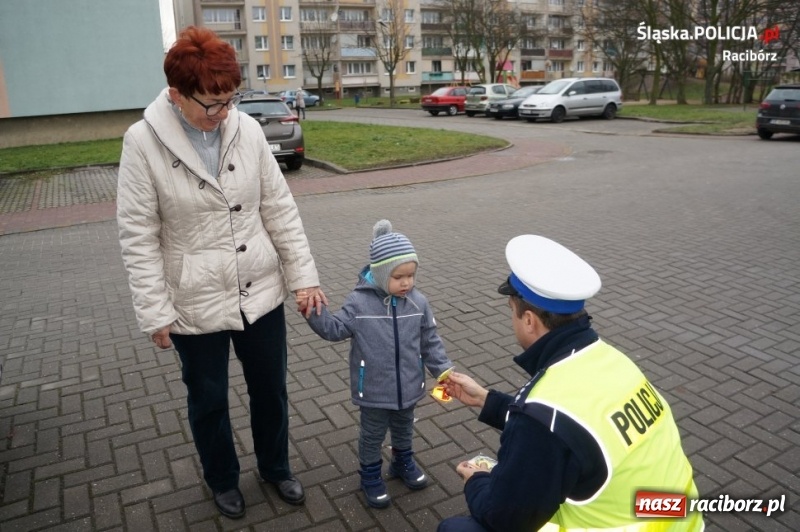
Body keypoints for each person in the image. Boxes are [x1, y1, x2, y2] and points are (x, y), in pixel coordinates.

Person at [116, 26, 327, 520]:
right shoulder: (142, 142)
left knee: (271, 389)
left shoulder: (246, 129)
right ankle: (222, 479)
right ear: (175, 94)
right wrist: (154, 311)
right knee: (209, 399)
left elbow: (278, 207)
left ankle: (275, 467)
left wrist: (305, 277)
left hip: (261, 289)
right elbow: (138, 236)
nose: (221, 114)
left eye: (229, 101)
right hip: (194, 299)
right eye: (210, 104)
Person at [438, 235, 703, 532]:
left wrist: (477, 480)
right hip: (682, 522)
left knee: (455, 529)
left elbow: (505, 517)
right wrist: (487, 400)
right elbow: (571, 428)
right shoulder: (611, 359)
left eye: (511, 311)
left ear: (529, 320)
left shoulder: (543, 416)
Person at [302, 220, 454, 509]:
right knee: (372, 435)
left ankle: (402, 462)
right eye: (399, 277)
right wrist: (313, 312)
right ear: (381, 274)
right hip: (373, 389)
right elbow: (334, 329)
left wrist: (444, 370)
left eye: (411, 275)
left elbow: (430, 340)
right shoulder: (359, 303)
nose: (406, 283)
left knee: (404, 427)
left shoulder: (418, 302)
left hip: (409, 385)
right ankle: (370, 476)